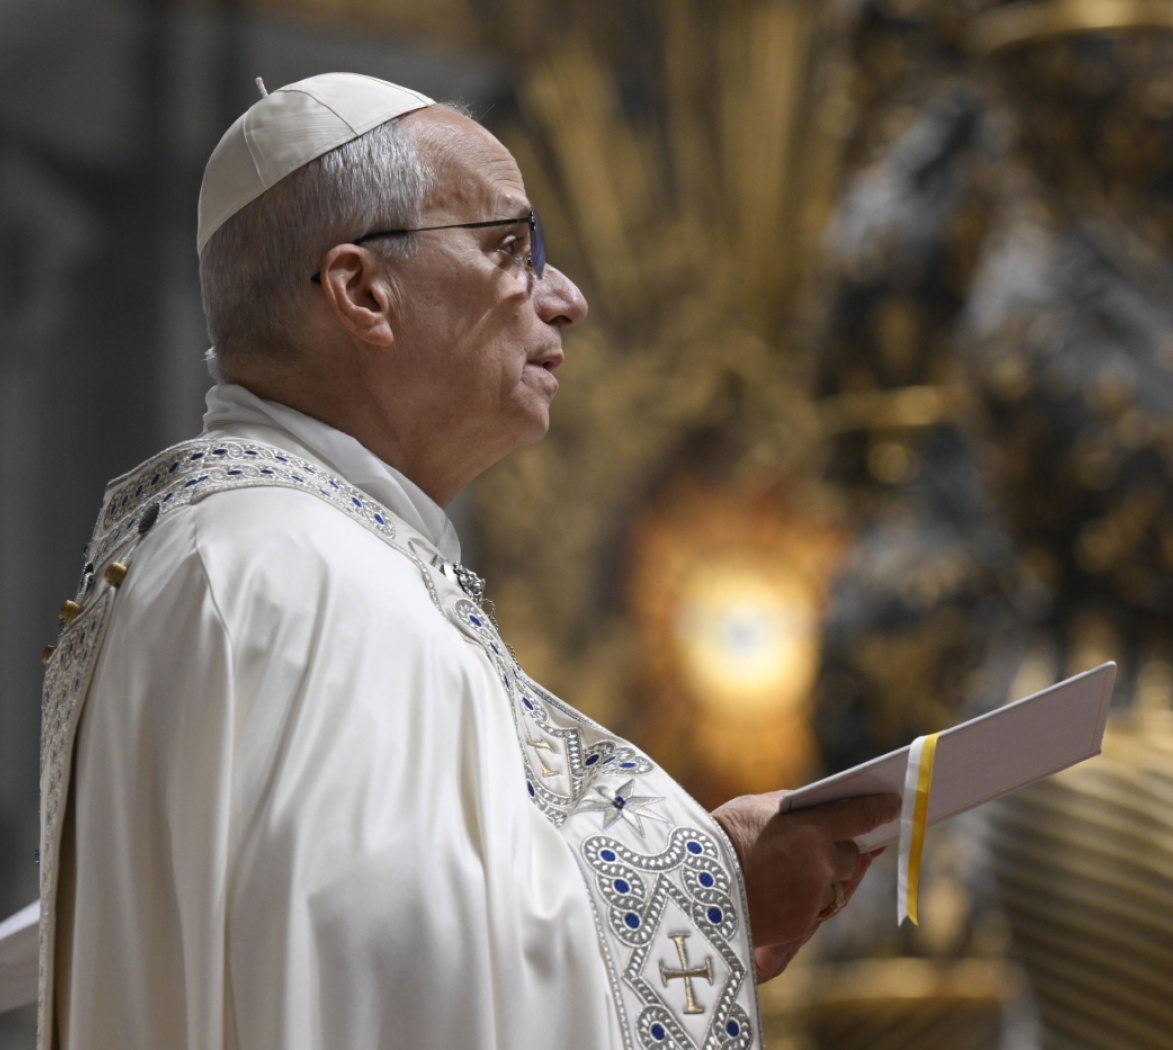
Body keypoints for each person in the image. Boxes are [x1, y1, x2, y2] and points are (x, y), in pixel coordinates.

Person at [36, 72, 898, 1050]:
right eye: (509, 250)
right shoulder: (296, 576)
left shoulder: (267, 554)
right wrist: (709, 888)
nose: (566, 299)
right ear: (363, 291)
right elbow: (377, 979)